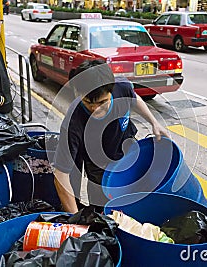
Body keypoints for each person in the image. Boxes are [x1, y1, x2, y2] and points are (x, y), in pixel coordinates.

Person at [52, 59, 169, 213]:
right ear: (77, 93)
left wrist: (154, 122)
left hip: (128, 152)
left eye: (102, 103)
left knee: (134, 200)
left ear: (111, 91)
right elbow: (61, 175)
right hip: (99, 167)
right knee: (103, 209)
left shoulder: (122, 87)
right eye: (88, 103)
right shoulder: (73, 122)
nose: (95, 109)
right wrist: (76, 220)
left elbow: (133, 98)